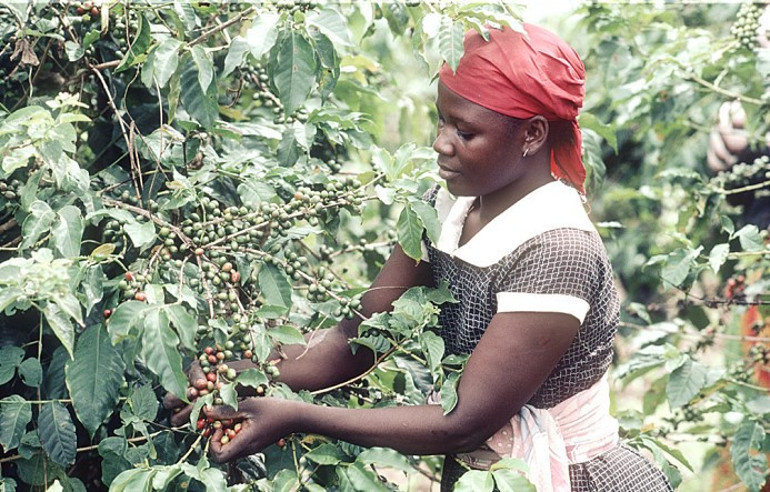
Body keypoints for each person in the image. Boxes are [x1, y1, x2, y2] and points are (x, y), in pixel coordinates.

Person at [165, 23, 672, 491]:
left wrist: (296, 415)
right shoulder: (447, 206)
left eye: (463, 132)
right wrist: (237, 376)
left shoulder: (557, 250)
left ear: (533, 135)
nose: (439, 144)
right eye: (441, 122)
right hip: (483, 471)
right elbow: (358, 337)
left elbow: (464, 422)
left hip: (569, 477)